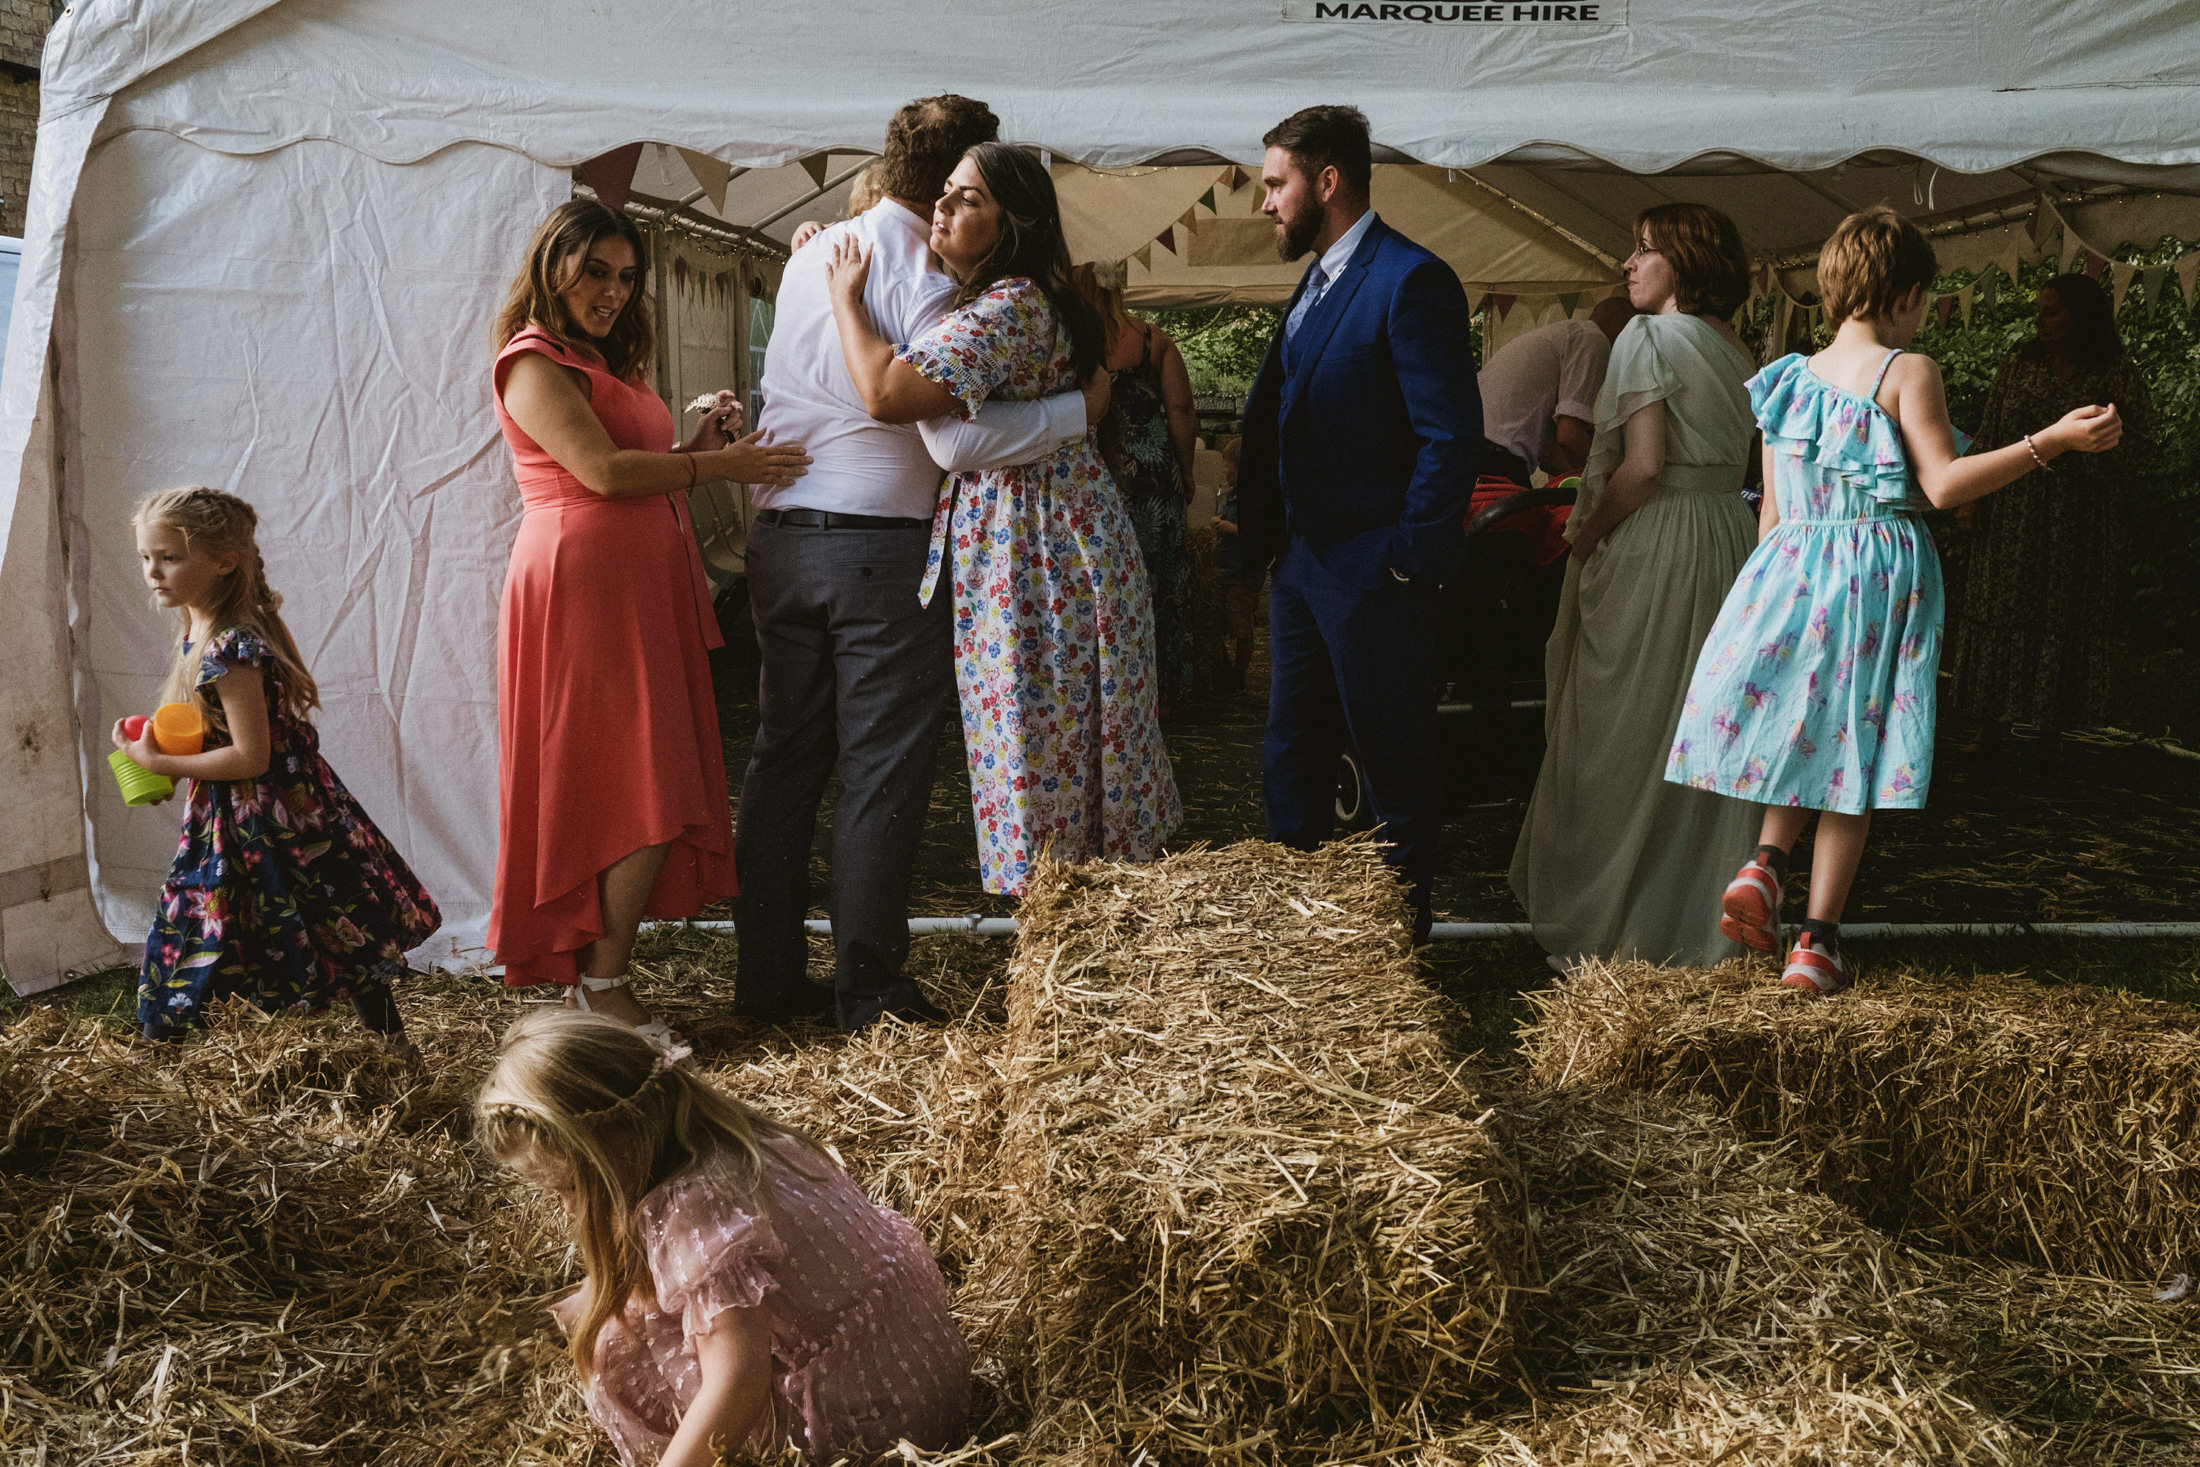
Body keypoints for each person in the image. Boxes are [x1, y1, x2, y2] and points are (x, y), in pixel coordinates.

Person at [1668, 209, 2122, 994]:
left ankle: (1767, 864)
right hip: (1878, 571)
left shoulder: (1787, 377)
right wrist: (2051, 441)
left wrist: (1759, 604)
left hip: (1791, 569)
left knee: (1801, 727)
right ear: (1907, 294)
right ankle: (1816, 941)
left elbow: (1771, 512)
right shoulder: (1908, 371)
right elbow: (1943, 485)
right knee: (1856, 750)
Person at [742, 97, 1108, 1029]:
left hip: (780, 540)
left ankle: (770, 978)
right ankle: (869, 990)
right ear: (953, 180)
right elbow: (957, 431)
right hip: (878, 547)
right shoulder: (938, 285)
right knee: (881, 769)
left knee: (783, 761)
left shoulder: (812, 256)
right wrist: (1079, 410)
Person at [490, 200, 810, 1054]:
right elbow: (597, 471)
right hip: (581, 583)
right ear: (552, 262)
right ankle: (600, 983)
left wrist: (697, 441)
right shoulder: (531, 359)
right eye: (596, 270)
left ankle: (601, 975)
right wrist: (721, 463)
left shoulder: (596, 358)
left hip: (632, 578)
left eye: (627, 277)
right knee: (636, 780)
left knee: (637, 776)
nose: (614, 290)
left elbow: (639, 469)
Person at [826, 142, 1181, 899]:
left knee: (1041, 737)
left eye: (967, 200)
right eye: (944, 194)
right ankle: (1067, 924)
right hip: (1041, 535)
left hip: (1039, 545)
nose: (942, 210)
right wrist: (1071, 414)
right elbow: (959, 440)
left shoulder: (1009, 305)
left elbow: (888, 396)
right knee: (1051, 737)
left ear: (1014, 222)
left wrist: (846, 303)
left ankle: (1062, 923)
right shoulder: (1005, 301)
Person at [475, 1009, 969, 1466]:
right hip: (915, 1374)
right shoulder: (735, 1138)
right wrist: (549, 1317)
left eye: (569, 1186)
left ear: (615, 1145)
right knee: (620, 1315)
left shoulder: (691, 1209)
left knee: (614, 1354)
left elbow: (736, 1383)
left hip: (866, 1431)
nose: (566, 1206)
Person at [1235, 105, 1481, 941]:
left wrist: (1408, 561)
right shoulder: (1320, 279)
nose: (1266, 203)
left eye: (1276, 184)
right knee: (1291, 756)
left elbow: (1450, 438)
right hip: (1304, 567)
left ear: (1326, 181)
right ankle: (1300, 948)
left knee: (1394, 765)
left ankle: (1402, 950)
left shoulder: (1411, 279)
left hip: (1376, 570)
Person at [1508, 202, 1761, 970]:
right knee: (1702, 735)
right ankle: (1696, 921)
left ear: (1682, 262)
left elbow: (1642, 465)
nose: (1628, 264)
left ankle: (1610, 925)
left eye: (1643, 250)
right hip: (1726, 537)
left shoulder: (1647, 336)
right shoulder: (1743, 351)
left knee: (1625, 731)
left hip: (1659, 541)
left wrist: (1584, 536)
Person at [118, 487, 440, 1045]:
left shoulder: (230, 647)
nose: (153, 571)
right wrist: (171, 760)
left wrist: (159, 759)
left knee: (295, 915)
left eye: (170, 557)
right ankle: (393, 1043)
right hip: (259, 810)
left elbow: (252, 755)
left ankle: (393, 1046)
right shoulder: (201, 631)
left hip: (270, 814)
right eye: (147, 557)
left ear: (224, 561)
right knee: (296, 909)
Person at [1948, 272, 2155, 759]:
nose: (2040, 320)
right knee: (2002, 604)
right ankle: (1988, 724)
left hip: (2080, 516)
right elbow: (1991, 429)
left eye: (2052, 310)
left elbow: (2142, 444)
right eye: (2039, 310)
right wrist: (1970, 497)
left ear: (2081, 315)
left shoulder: (2113, 369)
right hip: (2015, 509)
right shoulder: (2021, 364)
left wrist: (2099, 449)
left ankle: (2049, 729)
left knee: (2065, 610)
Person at [1079, 259, 1201, 713]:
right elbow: (1182, 410)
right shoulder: (1154, 340)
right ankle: (1167, 694)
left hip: (1095, 479)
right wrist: (1186, 472)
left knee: (1105, 593)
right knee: (1162, 585)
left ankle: (1113, 701)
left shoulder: (1073, 343)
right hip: (1154, 481)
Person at [1476, 295, 1642, 484]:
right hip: (1495, 457)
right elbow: (1570, 435)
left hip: (1470, 450)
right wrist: (1609, 482)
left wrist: (1581, 479)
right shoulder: (1593, 338)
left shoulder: (1561, 336)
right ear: (1625, 328)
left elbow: (1549, 456)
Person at [1210, 436, 1263, 693]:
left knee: (1241, 625)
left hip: (1242, 575)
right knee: (1214, 622)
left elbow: (1259, 534)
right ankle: (1225, 669)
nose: (1225, 471)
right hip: (1224, 571)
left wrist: (1232, 529)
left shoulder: (1256, 502)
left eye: (1229, 466)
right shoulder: (1229, 497)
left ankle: (1238, 674)